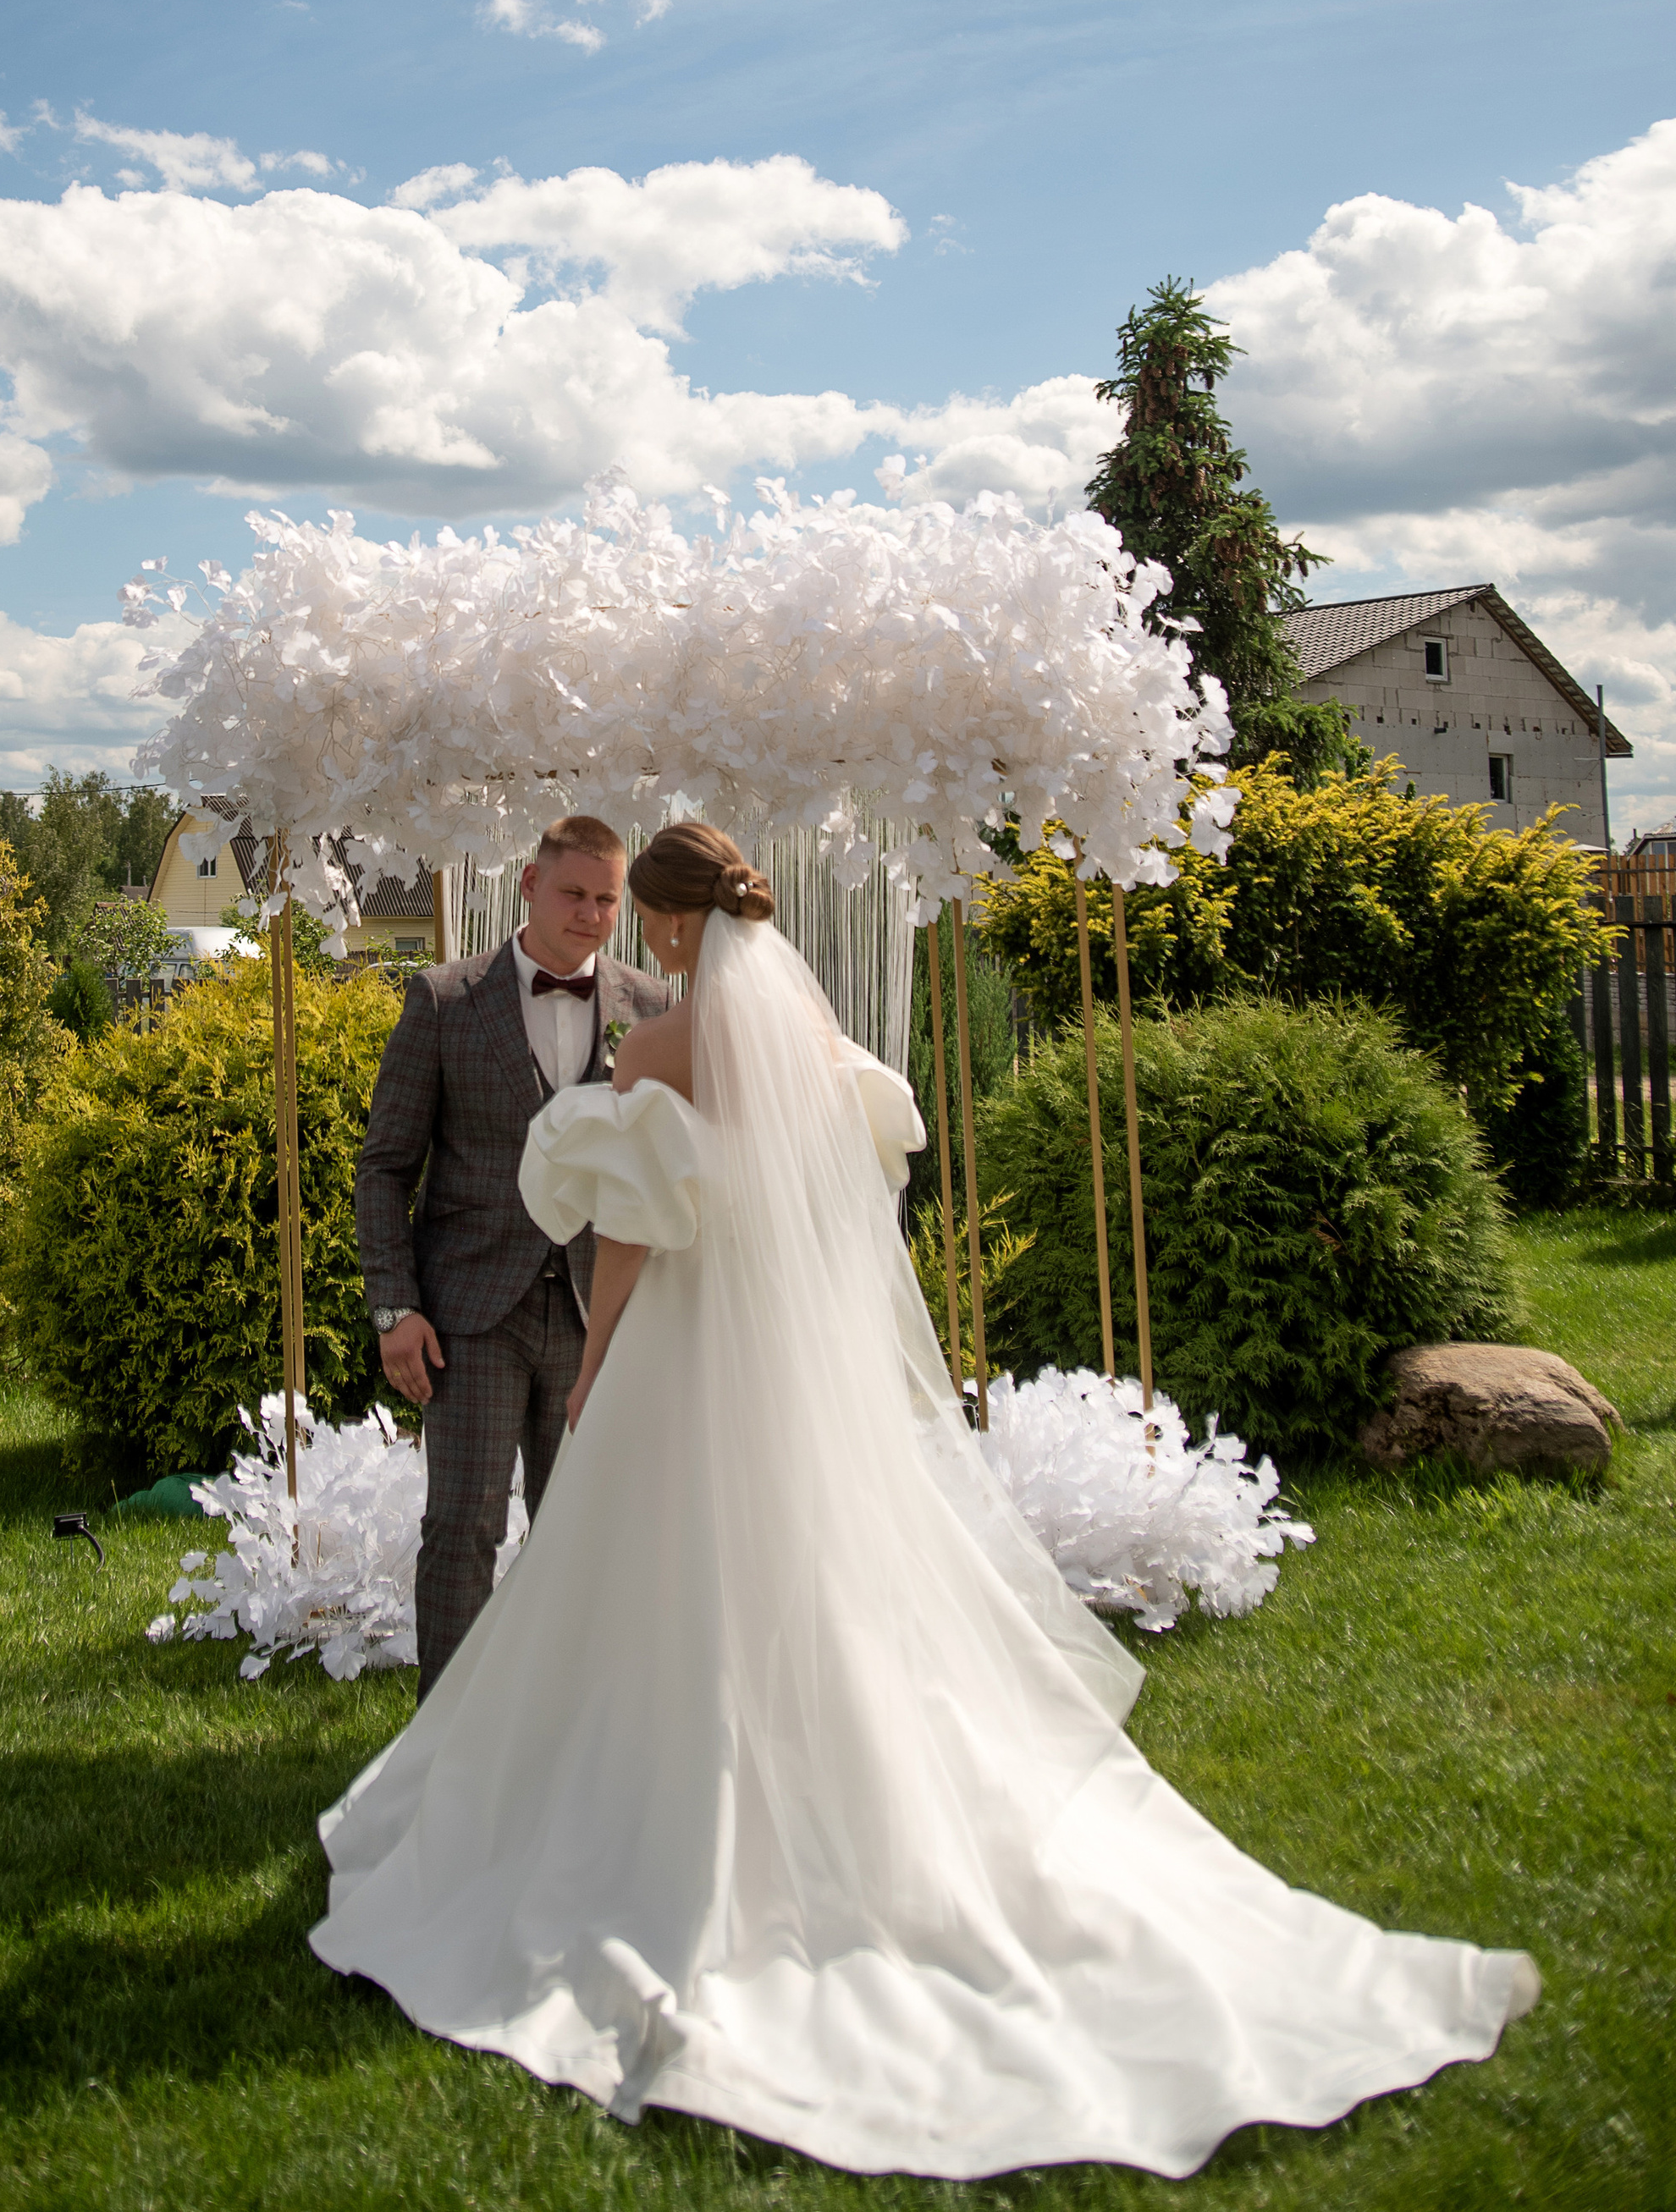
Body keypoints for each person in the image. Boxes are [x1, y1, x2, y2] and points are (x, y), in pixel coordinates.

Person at [311, 820, 1537, 2184]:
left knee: (655, 1576)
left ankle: (632, 1824)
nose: (620, 926)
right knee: (797, 1577)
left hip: (675, 1362)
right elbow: (842, 1198)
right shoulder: (809, 1031)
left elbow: (634, 1242)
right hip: (783, 1371)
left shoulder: (658, 1045)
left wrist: (601, 1365)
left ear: (663, 920)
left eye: (631, 908)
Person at [352, 812, 670, 1697]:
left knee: (587, 1537)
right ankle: (439, 1752)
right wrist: (395, 1308)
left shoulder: (651, 1008)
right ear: (529, 886)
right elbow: (384, 1170)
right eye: (574, 893)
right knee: (461, 1533)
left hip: (595, 1316)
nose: (592, 914)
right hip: (468, 1318)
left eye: (608, 900)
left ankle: (575, 1743)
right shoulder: (444, 1000)